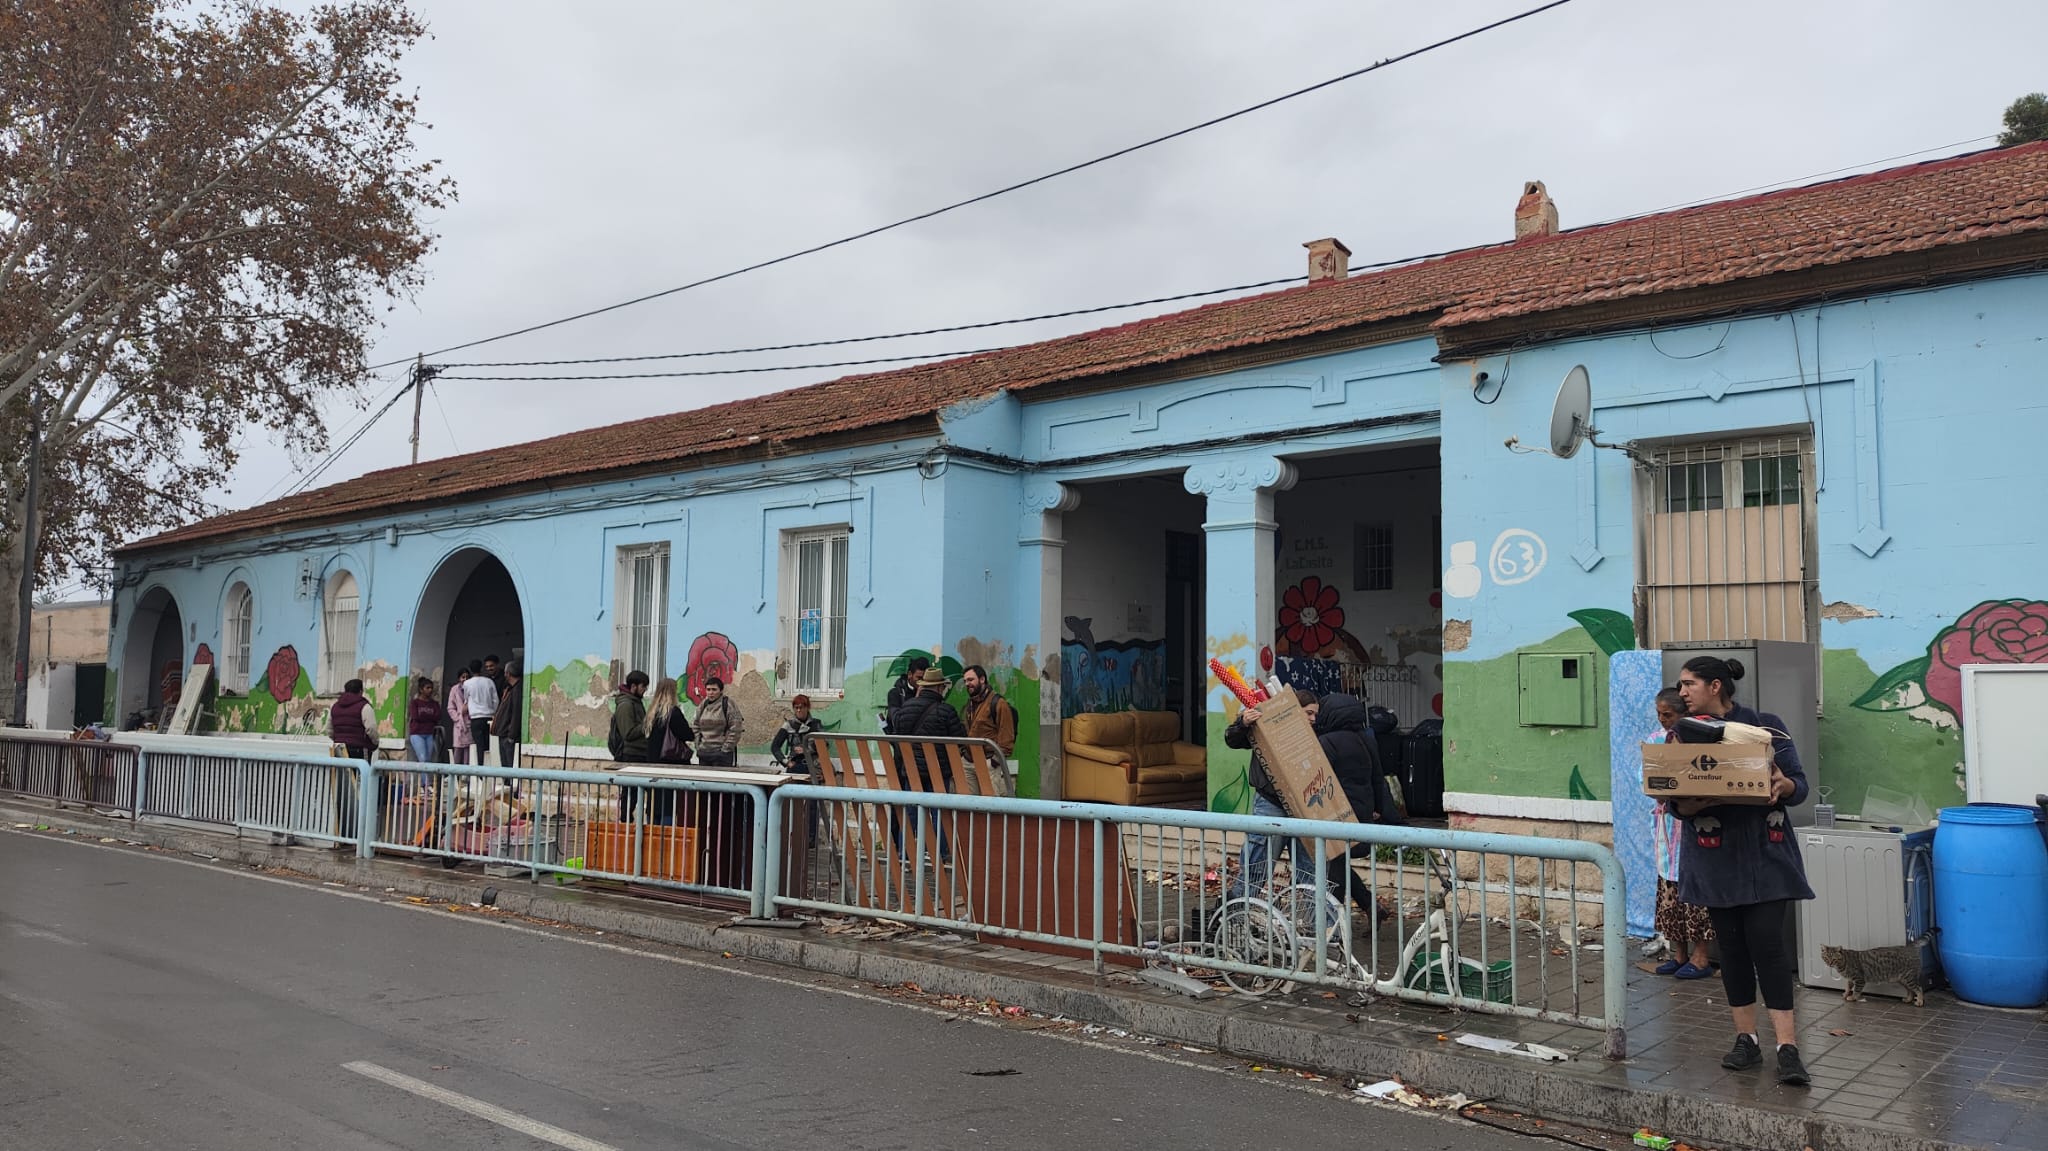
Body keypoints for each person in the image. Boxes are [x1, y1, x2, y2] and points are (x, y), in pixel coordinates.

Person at [1674, 654, 1814, 1087]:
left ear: (1715, 686)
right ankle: (1746, 1040)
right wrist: (1690, 803)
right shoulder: (1681, 735)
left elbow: (1798, 786)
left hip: (1766, 857)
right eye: (1680, 686)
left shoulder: (1764, 726)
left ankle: (1787, 1048)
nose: (1682, 692)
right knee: (1731, 951)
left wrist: (1782, 785)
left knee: (1769, 947)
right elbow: (1672, 798)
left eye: (1688, 684)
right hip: (1715, 858)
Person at [1225, 687, 1319, 896]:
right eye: (1309, 712)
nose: (1313, 719)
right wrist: (1243, 723)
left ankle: (1317, 924)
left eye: (1315, 714)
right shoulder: (1270, 726)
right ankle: (1235, 914)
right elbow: (1232, 740)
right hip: (1271, 803)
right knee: (1257, 866)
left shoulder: (1313, 736)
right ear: (1295, 710)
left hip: (1303, 807)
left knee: (1309, 870)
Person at [1649, 687, 1715, 980]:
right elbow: (1647, 776)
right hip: (1666, 827)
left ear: (1682, 713)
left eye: (1669, 715)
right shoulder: (1655, 741)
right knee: (1668, 893)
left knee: (1694, 893)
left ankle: (1702, 957)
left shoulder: (1697, 739)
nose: (1663, 720)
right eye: (1660, 715)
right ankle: (1678, 953)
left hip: (1690, 824)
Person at [888, 666, 965, 788]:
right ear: (940, 687)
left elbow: (898, 735)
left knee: (912, 806)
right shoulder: (947, 711)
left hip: (911, 772)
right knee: (937, 807)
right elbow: (959, 740)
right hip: (937, 774)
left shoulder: (905, 707)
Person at [327, 678, 376, 841]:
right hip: (358, 750)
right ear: (361, 691)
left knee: (341, 788)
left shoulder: (334, 707)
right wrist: (374, 744)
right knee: (361, 788)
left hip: (339, 750)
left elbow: (329, 730)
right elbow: (371, 729)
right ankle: (359, 830)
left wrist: (338, 739)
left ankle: (341, 828)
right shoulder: (364, 706)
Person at [610, 670, 651, 820]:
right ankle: (625, 822)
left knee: (638, 791)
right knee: (630, 793)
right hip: (631, 755)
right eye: (643, 686)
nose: (645, 690)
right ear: (633, 686)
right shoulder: (626, 705)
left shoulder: (635, 702)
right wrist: (647, 724)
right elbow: (628, 733)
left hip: (640, 753)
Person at [960, 665, 1018, 761]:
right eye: (965, 681)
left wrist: (995, 761)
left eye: (970, 680)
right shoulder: (970, 704)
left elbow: (1006, 734)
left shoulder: (998, 703)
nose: (967, 683)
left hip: (988, 760)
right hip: (969, 759)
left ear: (982, 679)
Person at [693, 676, 743, 767]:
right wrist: (698, 744)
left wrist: (726, 748)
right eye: (708, 689)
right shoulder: (703, 705)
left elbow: (736, 729)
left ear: (721, 690)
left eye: (714, 689)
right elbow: (696, 725)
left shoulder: (728, 704)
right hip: (704, 753)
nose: (711, 693)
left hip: (721, 755)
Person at [770, 694, 823, 778]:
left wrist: (807, 749)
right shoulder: (788, 725)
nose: (798, 710)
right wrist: (787, 763)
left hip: (814, 766)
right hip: (795, 766)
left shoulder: (816, 724)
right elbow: (774, 747)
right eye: (796, 708)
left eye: (801, 707)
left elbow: (824, 745)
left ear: (807, 708)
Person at [460, 659, 498, 766]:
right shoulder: (489, 681)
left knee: (479, 745)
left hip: (476, 718)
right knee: (489, 745)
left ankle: (481, 770)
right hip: (489, 717)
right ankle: (490, 768)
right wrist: (494, 713)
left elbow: (466, 698)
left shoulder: (467, 683)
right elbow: (495, 700)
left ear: (471, 670)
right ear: (481, 668)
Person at [882, 656, 930, 732]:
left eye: (925, 679)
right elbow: (897, 720)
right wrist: (917, 699)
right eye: (919, 678)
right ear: (910, 674)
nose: (922, 682)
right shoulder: (895, 694)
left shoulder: (929, 693)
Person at [493, 662, 524, 769]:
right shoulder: (511, 689)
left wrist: (511, 735)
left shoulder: (517, 690)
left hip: (508, 735)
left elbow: (516, 713)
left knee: (509, 765)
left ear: (508, 674)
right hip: (504, 733)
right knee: (505, 765)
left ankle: (510, 784)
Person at [406, 677, 444, 764]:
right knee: (422, 758)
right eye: (427, 688)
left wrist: (424, 716)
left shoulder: (434, 704)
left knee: (428, 759)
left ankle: (426, 778)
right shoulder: (415, 703)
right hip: (417, 733)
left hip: (430, 734)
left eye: (431, 688)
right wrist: (430, 717)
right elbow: (416, 716)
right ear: (421, 689)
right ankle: (424, 778)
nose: (430, 690)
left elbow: (438, 716)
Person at [446, 667, 473, 765]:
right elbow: (450, 707)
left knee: (468, 750)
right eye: (463, 677)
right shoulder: (454, 689)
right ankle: (455, 774)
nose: (465, 679)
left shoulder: (472, 688)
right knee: (457, 749)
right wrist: (457, 719)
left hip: (470, 722)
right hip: (459, 724)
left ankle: (466, 775)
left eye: (467, 677)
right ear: (459, 678)